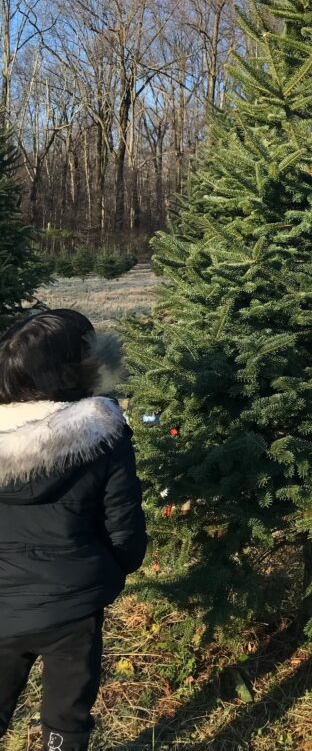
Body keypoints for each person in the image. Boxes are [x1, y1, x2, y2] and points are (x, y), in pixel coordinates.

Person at [0, 309, 146, 751]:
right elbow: (123, 523)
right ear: (79, 364)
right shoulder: (102, 432)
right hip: (74, 606)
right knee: (67, 714)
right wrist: (110, 572)